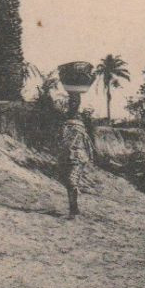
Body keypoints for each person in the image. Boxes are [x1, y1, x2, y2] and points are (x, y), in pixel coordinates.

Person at [54, 61, 97, 218]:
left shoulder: (79, 125)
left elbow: (89, 144)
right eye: (71, 102)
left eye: (74, 103)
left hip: (77, 158)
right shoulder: (67, 123)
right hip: (66, 156)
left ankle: (73, 211)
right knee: (68, 183)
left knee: (72, 183)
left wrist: (91, 157)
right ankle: (74, 208)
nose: (71, 105)